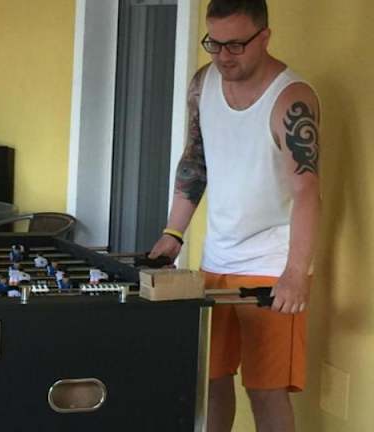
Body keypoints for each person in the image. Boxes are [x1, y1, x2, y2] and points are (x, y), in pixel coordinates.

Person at [149, 1, 320, 431]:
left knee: (266, 390)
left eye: (236, 45)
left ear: (265, 37)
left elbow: (306, 191)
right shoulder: (202, 84)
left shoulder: (291, 99)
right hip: (216, 258)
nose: (224, 56)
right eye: (215, 43)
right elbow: (196, 159)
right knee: (209, 379)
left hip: (270, 266)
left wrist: (295, 273)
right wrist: (174, 232)